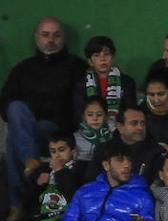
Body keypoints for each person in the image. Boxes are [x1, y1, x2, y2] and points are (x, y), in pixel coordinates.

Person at [1, 18, 85, 194]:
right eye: (45, 35)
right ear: (36, 37)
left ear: (63, 38)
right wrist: (23, 122)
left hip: (58, 131)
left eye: (56, 35)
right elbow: (5, 103)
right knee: (15, 109)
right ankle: (31, 162)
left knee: (13, 141)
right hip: (28, 128)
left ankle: (18, 202)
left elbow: (82, 104)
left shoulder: (76, 67)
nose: (51, 40)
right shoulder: (23, 69)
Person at [56, 146, 161, 221]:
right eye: (120, 160)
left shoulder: (142, 195)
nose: (126, 165)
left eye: (129, 160)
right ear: (106, 165)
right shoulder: (85, 191)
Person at [22, 132, 85, 221]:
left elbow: (76, 197)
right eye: (53, 151)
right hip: (41, 220)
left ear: (73, 151)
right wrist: (37, 185)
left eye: (61, 150)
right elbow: (27, 202)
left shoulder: (81, 170)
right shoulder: (42, 170)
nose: (57, 155)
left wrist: (59, 171)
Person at [73, 36, 137, 128]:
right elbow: (78, 113)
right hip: (89, 129)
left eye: (106, 54)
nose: (103, 59)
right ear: (90, 61)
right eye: (97, 55)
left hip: (119, 129)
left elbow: (130, 111)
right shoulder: (82, 84)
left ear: (113, 57)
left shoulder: (127, 82)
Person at [98, 106, 164, 184]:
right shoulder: (103, 150)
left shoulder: (156, 152)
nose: (140, 127)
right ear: (120, 127)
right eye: (134, 123)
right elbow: (92, 181)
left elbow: (159, 186)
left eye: (143, 123)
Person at [74, 97, 114, 163]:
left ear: (106, 116)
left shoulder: (114, 133)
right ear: (83, 117)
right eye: (90, 115)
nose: (95, 118)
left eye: (99, 114)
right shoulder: (76, 138)